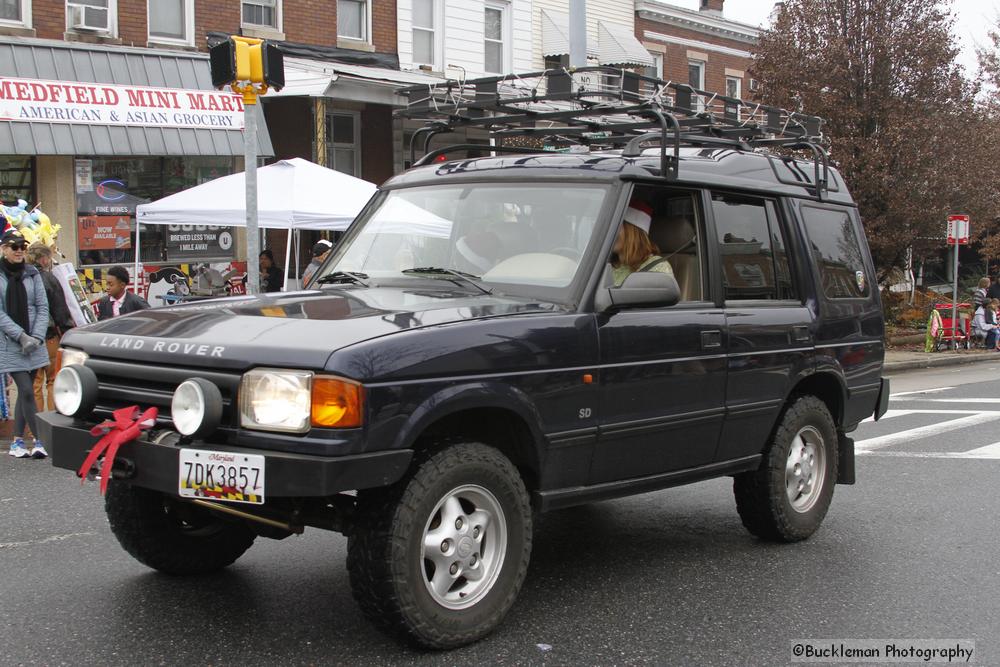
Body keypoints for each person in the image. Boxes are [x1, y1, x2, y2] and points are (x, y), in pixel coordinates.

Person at [0, 229, 51, 459]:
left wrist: (37, 337)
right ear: (4, 249)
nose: (19, 250)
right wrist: (21, 336)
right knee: (28, 391)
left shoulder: (33, 274)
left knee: (25, 393)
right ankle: (40, 440)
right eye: (14, 246)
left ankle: (17, 441)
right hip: (10, 342)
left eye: (23, 246)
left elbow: (42, 306)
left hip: (35, 342)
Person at [28, 243, 75, 411]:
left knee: (35, 383)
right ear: (44, 258)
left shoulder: (20, 277)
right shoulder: (48, 279)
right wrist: (66, 330)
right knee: (53, 380)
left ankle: (35, 428)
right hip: (49, 336)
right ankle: (51, 422)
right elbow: (60, 309)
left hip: (27, 338)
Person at [611, 199, 674, 287]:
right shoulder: (608, 266)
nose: (610, 232)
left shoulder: (657, 268)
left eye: (617, 226)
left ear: (633, 232)